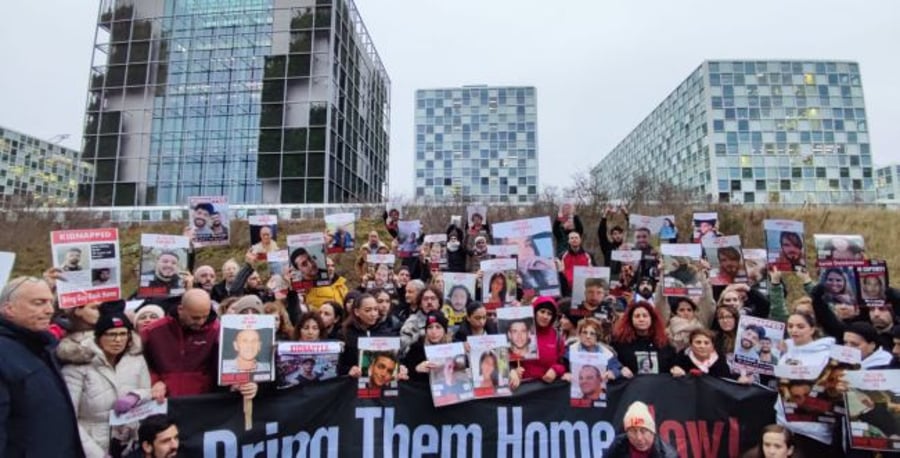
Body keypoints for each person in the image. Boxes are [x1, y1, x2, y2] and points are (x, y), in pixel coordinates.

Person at [0, 276, 85, 457]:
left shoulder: (44, 347)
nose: (48, 310)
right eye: (38, 303)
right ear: (9, 309)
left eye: (50, 303)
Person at [61, 312, 152, 458]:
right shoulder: (77, 365)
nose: (118, 340)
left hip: (127, 441)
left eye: (123, 334)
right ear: (98, 337)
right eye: (111, 334)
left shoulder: (136, 359)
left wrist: (136, 396)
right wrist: (96, 454)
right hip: (92, 444)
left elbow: (148, 390)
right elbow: (68, 418)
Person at [775, 312, 839, 456]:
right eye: (790, 326)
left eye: (800, 326)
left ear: (812, 329)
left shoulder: (826, 355)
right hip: (786, 425)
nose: (794, 330)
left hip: (814, 430)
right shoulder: (785, 353)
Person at [141, 289, 219, 397]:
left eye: (205, 316)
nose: (201, 322)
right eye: (195, 317)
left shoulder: (216, 331)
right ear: (180, 309)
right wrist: (154, 381)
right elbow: (140, 362)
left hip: (202, 401)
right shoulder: (153, 331)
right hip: (164, 400)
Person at [611, 301, 676, 376]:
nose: (641, 319)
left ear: (652, 319)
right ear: (630, 320)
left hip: (659, 385)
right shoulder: (620, 342)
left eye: (645, 316)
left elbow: (673, 363)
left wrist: (676, 368)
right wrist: (620, 368)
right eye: (637, 316)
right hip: (631, 385)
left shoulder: (664, 342)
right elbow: (613, 362)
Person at [671, 328, 751, 382]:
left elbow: (727, 378)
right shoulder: (682, 358)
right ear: (691, 345)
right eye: (698, 342)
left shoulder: (720, 359)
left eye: (706, 343)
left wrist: (740, 378)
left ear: (712, 346)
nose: (702, 346)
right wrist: (675, 371)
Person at [607, 401, 678, 457]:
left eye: (643, 431)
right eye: (633, 431)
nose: (639, 438)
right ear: (627, 433)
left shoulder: (668, 455)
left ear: (652, 432)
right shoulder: (618, 445)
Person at [520, 297, 567, 383]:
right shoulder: (521, 332)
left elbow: (563, 364)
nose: (545, 316)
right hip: (523, 388)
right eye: (542, 312)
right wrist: (513, 371)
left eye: (549, 314)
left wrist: (556, 370)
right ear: (534, 312)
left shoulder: (557, 336)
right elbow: (508, 360)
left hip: (547, 389)